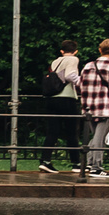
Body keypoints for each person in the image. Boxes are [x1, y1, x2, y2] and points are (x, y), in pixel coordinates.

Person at [78, 36, 109, 181]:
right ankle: (96, 168)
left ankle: (89, 163)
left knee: (96, 137)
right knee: (99, 138)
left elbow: (80, 86)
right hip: (105, 107)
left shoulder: (88, 66)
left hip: (89, 107)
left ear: (100, 50)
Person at [37, 37, 83, 174]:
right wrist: (83, 82)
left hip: (52, 99)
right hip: (66, 98)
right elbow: (69, 76)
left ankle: (45, 161)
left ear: (62, 51)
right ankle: (76, 163)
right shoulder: (73, 59)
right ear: (76, 51)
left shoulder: (55, 61)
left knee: (52, 131)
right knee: (71, 132)